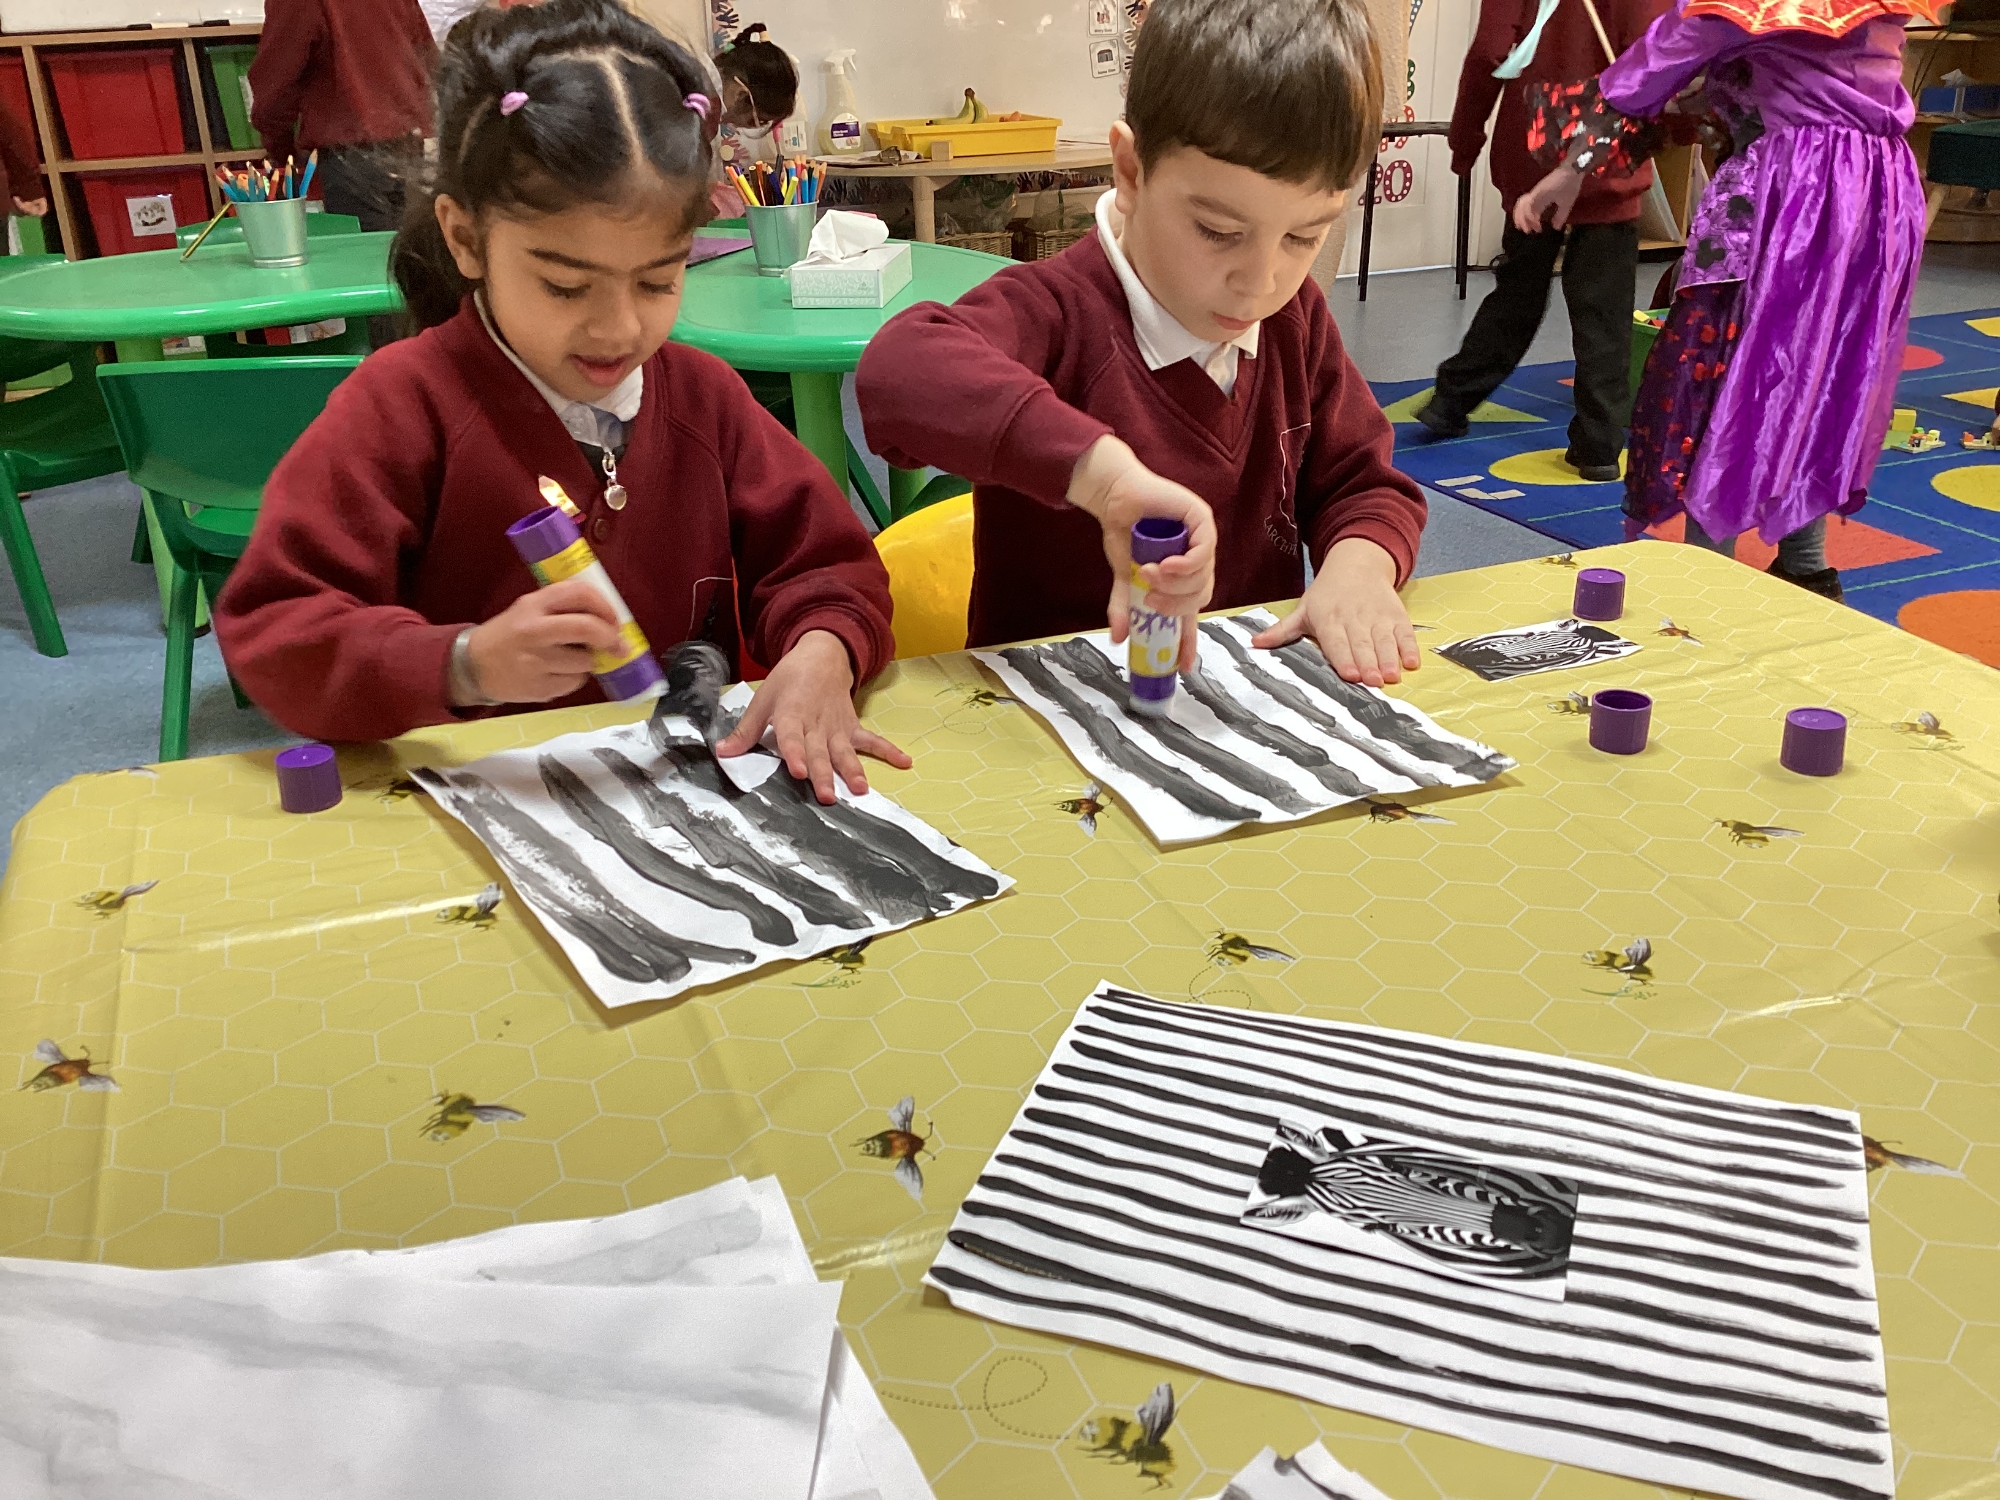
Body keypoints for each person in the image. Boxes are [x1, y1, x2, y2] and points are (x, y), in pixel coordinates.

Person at [216, 0, 905, 805]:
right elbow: (278, 629)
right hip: (476, 810)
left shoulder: (703, 397)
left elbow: (826, 564)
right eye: (565, 286)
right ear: (466, 239)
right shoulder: (400, 406)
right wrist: (461, 664)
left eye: (657, 280)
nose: (618, 328)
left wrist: (825, 648)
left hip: (674, 804)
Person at [857, 0, 1428, 688]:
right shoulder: (1056, 312)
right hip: (1050, 714)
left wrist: (1359, 567)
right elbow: (899, 371)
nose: (1261, 281)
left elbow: (1364, 484)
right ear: (1130, 172)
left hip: (1238, 705)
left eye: (1304, 236)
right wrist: (1105, 480)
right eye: (1218, 231)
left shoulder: (1293, 319)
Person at [1512, 0, 1931, 599]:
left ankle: (1706, 578)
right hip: (1880, 198)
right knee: (1822, 373)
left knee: (1723, 374)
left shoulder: (1738, 7)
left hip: (1790, 198)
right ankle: (1807, 567)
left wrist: (1569, 170)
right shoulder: (1865, 10)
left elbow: (1643, 73)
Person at [1417, 0, 1671, 482]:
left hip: (1533, 144)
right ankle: (1598, 444)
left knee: (1517, 290)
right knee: (1605, 311)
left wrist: (1465, 136)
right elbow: (1658, 55)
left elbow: (1490, 51)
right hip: (1609, 148)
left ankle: (1451, 401)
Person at [250, 0, 438, 232]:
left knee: (362, 252)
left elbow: (275, 82)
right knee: (407, 246)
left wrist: (280, 149)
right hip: (406, 141)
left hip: (352, 153)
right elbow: (425, 52)